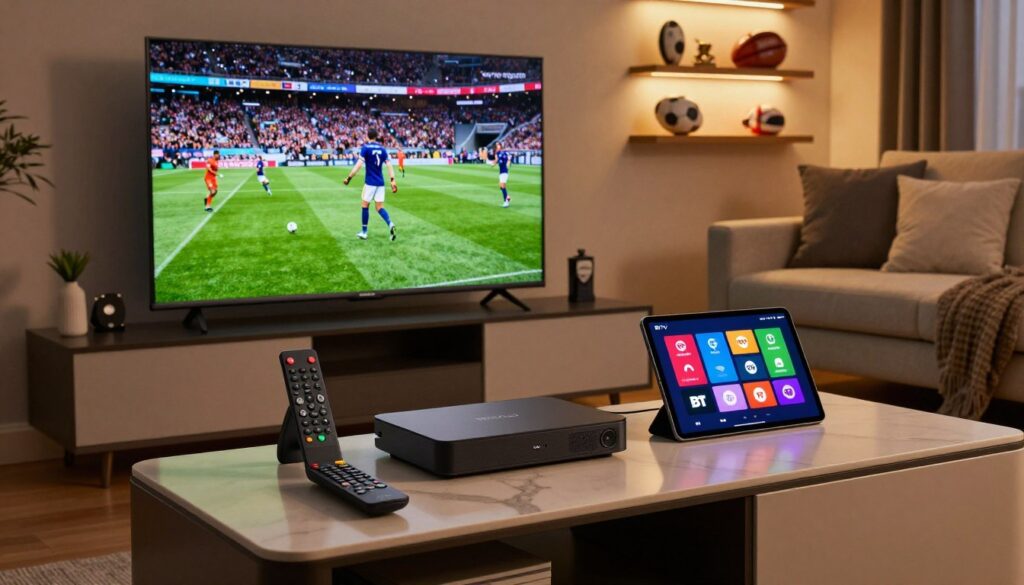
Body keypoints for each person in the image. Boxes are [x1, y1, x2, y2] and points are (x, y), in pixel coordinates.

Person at [343, 129, 398, 241]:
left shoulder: (366, 148)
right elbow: (389, 166)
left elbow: (358, 165)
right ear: (376, 136)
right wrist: (392, 180)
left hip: (370, 183)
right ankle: (390, 223)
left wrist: (349, 178)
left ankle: (364, 232)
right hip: (380, 183)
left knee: (365, 205)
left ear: (367, 137)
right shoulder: (383, 149)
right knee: (379, 208)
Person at [487, 143, 511, 208]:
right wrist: (491, 164)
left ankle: (506, 202)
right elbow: (495, 161)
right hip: (501, 172)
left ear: (500, 146)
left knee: (502, 186)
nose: (497, 146)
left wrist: (508, 164)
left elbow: (509, 159)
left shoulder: (505, 152)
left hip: (505, 171)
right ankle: (507, 197)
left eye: (498, 144)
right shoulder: (497, 153)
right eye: (496, 145)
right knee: (501, 186)